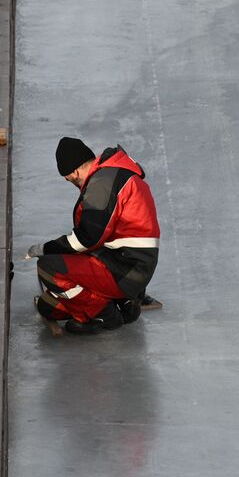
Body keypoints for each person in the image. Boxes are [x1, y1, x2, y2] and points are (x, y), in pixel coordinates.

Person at [31, 136, 160, 335]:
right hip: (130, 264)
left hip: (125, 270)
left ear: (74, 172)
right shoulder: (115, 174)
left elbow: (86, 239)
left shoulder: (102, 184)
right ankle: (125, 302)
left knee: (48, 267)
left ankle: (103, 314)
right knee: (47, 307)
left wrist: (46, 249)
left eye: (67, 178)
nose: (69, 181)